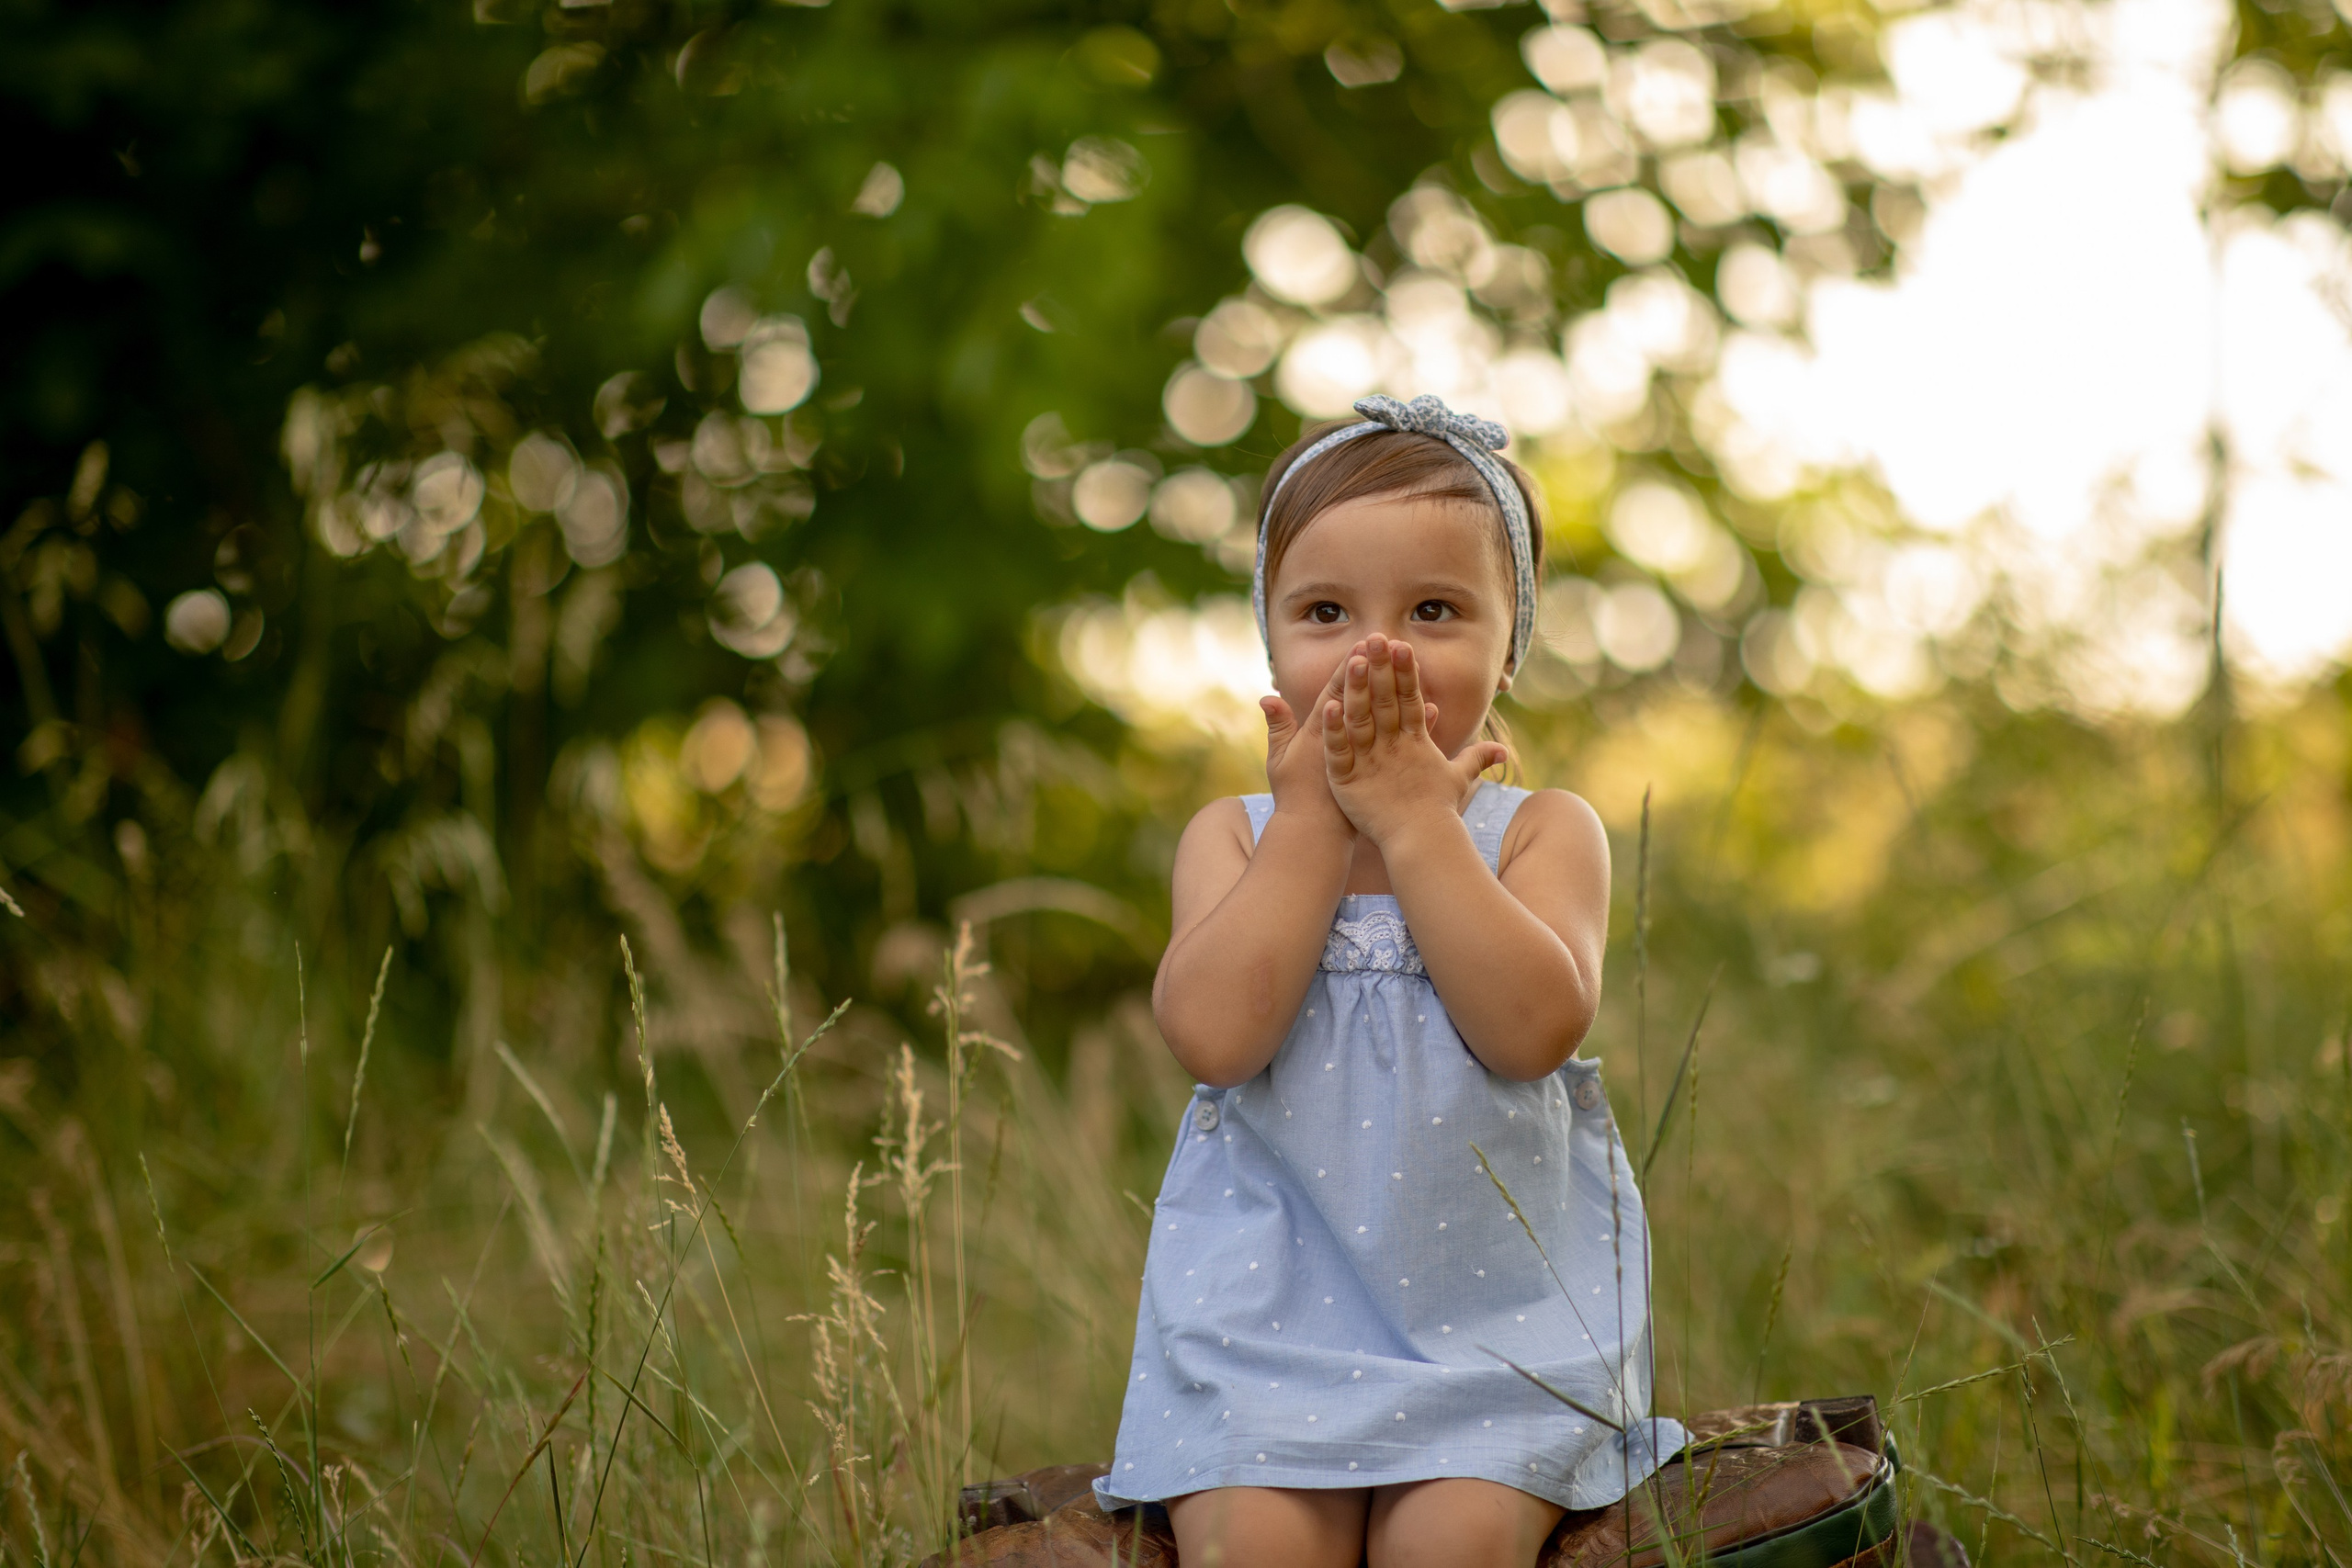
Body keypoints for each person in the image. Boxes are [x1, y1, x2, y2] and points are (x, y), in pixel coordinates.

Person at [1092, 395, 1685, 1567]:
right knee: (1257, 1550)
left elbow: (1531, 1031)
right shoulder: (1237, 835)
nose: (1379, 650)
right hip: (1263, 1335)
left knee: (1449, 1548)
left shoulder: (1539, 834)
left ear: (1510, 643)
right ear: (1269, 642)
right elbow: (1214, 1037)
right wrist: (1314, 824)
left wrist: (1419, 826)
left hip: (1492, 1332)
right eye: (1324, 611)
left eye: (1434, 610)